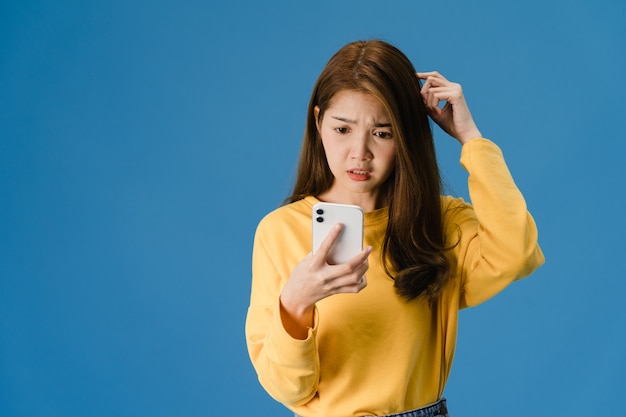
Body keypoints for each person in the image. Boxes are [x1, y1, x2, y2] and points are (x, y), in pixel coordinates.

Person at [245, 39, 544, 417]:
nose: (360, 152)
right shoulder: (279, 232)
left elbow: (517, 255)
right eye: (342, 129)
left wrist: (472, 139)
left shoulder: (438, 223)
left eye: (383, 133)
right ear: (318, 121)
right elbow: (289, 389)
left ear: (405, 137)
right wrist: (295, 303)